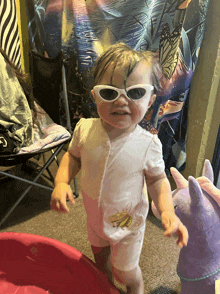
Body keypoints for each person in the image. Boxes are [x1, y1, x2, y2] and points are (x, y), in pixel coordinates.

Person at [50, 43, 188, 294]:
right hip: (94, 216)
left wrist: (167, 209)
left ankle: (136, 287)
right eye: (109, 93)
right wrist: (61, 182)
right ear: (95, 96)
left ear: (150, 100)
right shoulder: (84, 129)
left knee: (124, 270)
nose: (121, 101)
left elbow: (158, 181)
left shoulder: (148, 144)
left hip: (128, 223)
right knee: (99, 261)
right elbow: (73, 156)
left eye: (135, 93)